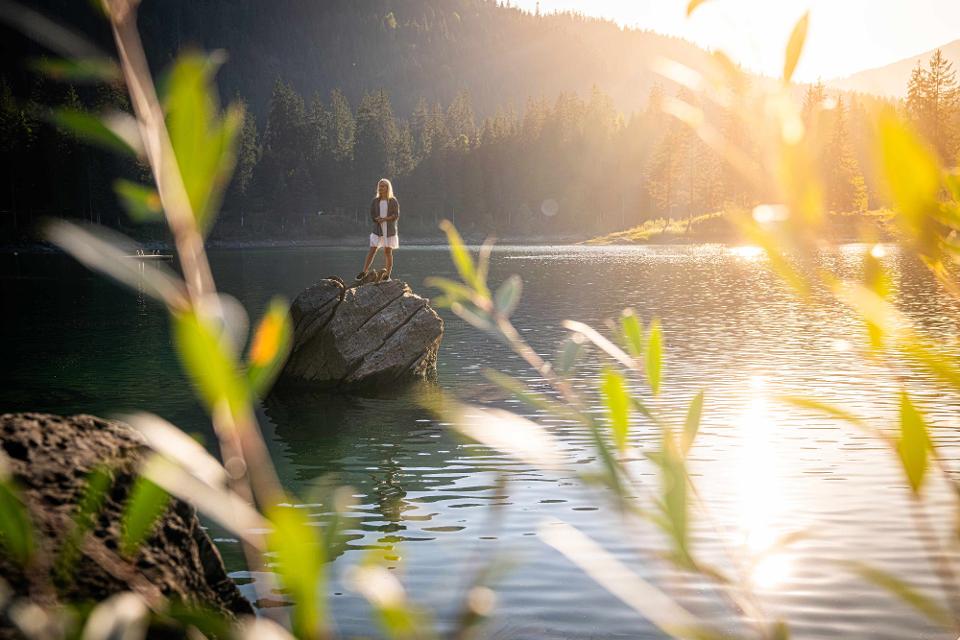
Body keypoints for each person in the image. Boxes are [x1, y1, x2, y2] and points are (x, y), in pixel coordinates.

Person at [357, 178, 400, 281]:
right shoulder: (375, 201)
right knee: (372, 250)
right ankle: (364, 272)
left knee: (387, 252)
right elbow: (372, 214)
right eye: (380, 186)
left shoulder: (393, 200)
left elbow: (396, 215)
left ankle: (387, 275)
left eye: (383, 186)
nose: (381, 188)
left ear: (387, 188)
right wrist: (376, 219)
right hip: (378, 229)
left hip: (389, 230)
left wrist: (385, 219)